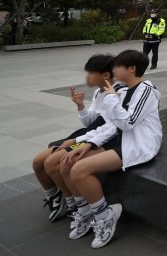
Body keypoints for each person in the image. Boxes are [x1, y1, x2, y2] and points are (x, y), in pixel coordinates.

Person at [59, 50, 162, 249]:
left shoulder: (146, 90)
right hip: (119, 139)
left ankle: (105, 215)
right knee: (67, 163)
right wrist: (87, 144)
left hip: (139, 144)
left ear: (131, 69)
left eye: (118, 67)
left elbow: (128, 123)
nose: (113, 71)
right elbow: (108, 125)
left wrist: (112, 98)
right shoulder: (119, 91)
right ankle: (85, 211)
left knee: (79, 170)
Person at [31, 54, 119, 222]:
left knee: (51, 163)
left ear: (105, 75)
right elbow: (91, 121)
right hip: (86, 133)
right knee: (38, 162)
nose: (87, 77)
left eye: (91, 73)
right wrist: (81, 106)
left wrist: (78, 141)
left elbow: (111, 126)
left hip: (96, 137)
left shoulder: (118, 93)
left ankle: (75, 204)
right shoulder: (98, 93)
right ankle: (57, 197)